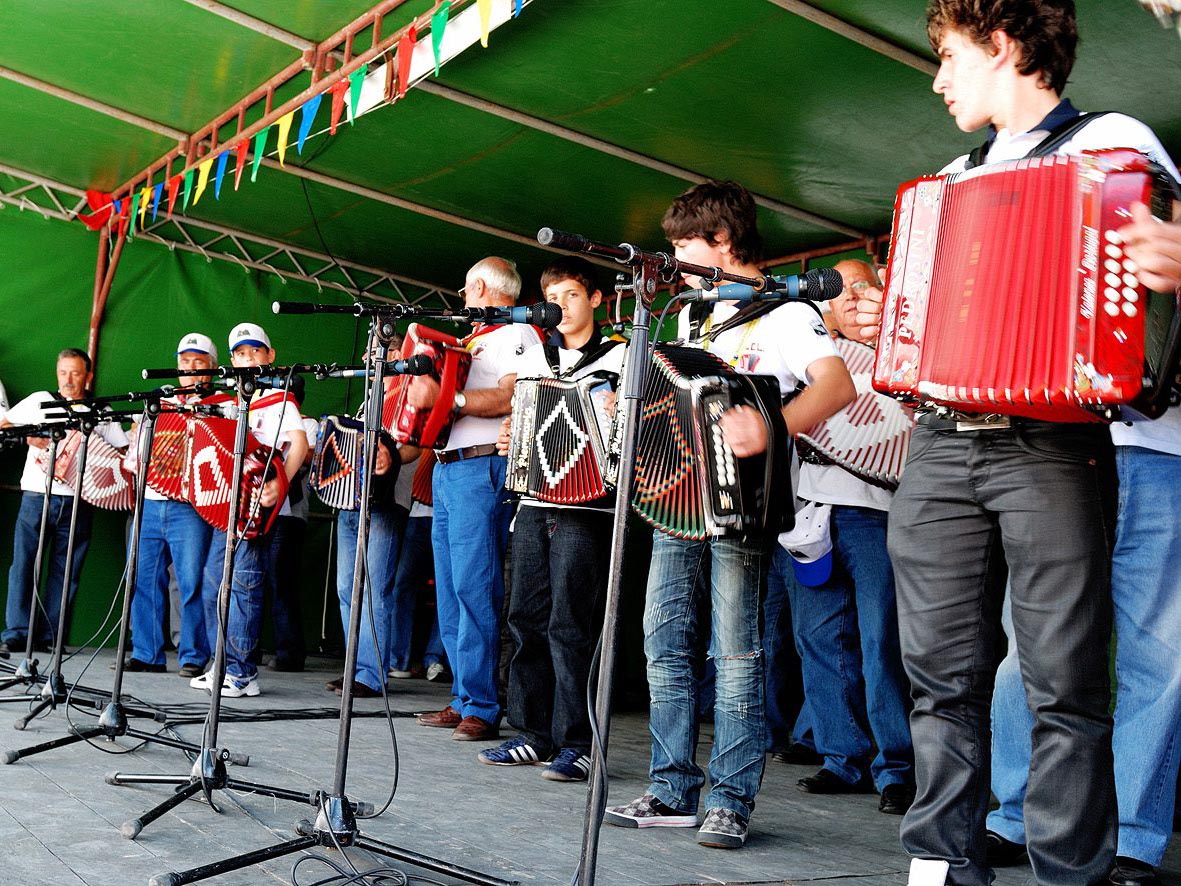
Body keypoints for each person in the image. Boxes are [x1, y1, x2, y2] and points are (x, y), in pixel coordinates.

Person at [852, 2, 1181, 882]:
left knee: (1063, 682)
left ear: (1001, 47)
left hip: (1056, 440)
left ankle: (1067, 870)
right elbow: (927, 327)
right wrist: (897, 323)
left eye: (950, 57)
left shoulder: (1113, 143)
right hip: (942, 441)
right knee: (940, 674)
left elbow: (1157, 296)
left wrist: (1172, 261)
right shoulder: (949, 180)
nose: (937, 78)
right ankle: (939, 865)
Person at [604, 180, 855, 849]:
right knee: (664, 646)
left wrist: (771, 426)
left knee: (735, 652)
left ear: (722, 239)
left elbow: (837, 383)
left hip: (742, 504)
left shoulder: (784, 310)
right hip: (675, 500)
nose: (678, 257)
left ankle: (731, 798)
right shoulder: (694, 314)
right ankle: (670, 786)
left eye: (686, 243)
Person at [480, 256, 623, 781]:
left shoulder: (623, 359)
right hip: (534, 503)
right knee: (524, 618)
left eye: (571, 295)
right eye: (553, 297)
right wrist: (508, 439)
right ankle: (532, 733)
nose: (560, 306)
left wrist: (615, 421)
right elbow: (523, 425)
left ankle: (578, 741)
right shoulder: (538, 361)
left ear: (597, 300)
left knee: (572, 624)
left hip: (591, 506)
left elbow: (640, 430)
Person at [781, 260, 915, 816]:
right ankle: (843, 758)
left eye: (861, 286)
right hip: (808, 508)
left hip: (876, 511)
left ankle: (898, 768)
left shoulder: (898, 356)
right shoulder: (802, 348)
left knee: (882, 640)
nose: (849, 298)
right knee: (819, 639)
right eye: (837, 289)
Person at [411, 257, 541, 741]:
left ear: (481, 286)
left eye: (466, 291)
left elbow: (513, 395)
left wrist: (448, 400)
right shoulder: (476, 337)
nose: (462, 299)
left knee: (473, 585)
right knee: (449, 587)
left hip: (481, 464)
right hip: (449, 467)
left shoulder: (517, 333)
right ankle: (465, 695)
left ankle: (482, 706)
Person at [191, 322, 307, 698]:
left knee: (245, 584)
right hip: (231, 506)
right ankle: (221, 662)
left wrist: (280, 483)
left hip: (260, 510)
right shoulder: (233, 402)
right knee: (218, 583)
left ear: (270, 356)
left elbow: (299, 444)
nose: (247, 359)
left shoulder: (280, 397)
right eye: (240, 354)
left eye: (255, 351)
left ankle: (241, 672)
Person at [1, 349, 129, 654]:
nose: (69, 379)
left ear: (88, 376)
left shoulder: (100, 411)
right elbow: (4, 425)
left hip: (79, 500)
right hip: (37, 493)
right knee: (24, 564)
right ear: (56, 373)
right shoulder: (38, 401)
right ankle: (17, 632)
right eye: (63, 372)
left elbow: (123, 453)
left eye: (75, 373)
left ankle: (49, 636)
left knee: (67, 569)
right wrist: (27, 437)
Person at [122, 333, 227, 677]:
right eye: (185, 362)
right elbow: (136, 451)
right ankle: (146, 652)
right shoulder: (158, 402)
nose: (191, 369)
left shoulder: (223, 405)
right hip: (150, 502)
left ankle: (193, 654)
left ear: (212, 368)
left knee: (191, 580)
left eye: (199, 363)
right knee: (142, 577)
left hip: (191, 506)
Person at [327, 340, 418, 700]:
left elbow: (417, 444)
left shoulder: (408, 393)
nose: (367, 359)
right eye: (366, 353)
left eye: (376, 352)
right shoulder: (371, 399)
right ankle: (355, 668)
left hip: (386, 501)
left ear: (395, 356)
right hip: (350, 501)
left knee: (374, 590)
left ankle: (369, 673)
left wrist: (389, 455)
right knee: (347, 588)